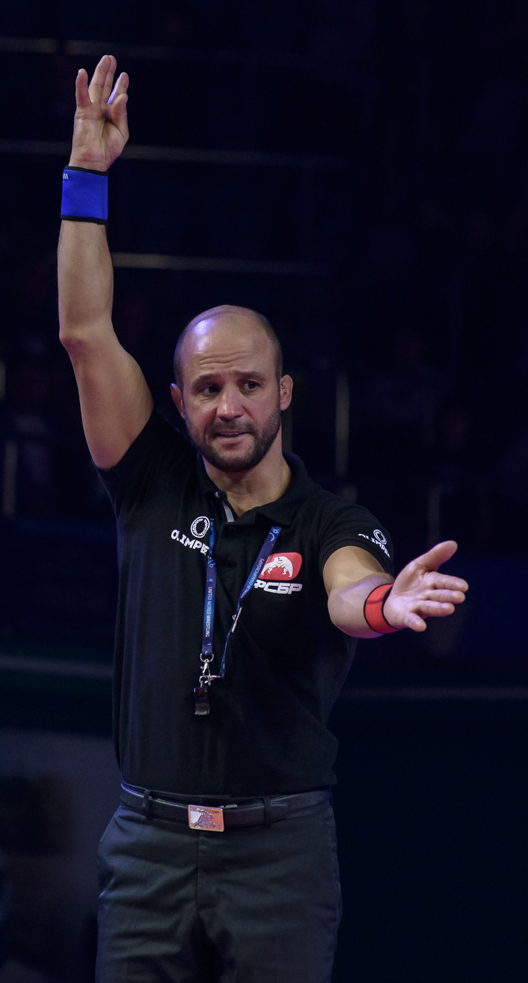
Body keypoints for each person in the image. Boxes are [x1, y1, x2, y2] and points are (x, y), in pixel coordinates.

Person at [57, 54, 468, 983]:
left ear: (283, 392)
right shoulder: (150, 479)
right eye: (207, 390)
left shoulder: (327, 520)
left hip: (278, 856)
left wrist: (384, 606)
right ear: (178, 401)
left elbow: (349, 591)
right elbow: (84, 335)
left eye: (248, 384)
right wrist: (85, 175)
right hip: (148, 845)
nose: (229, 406)